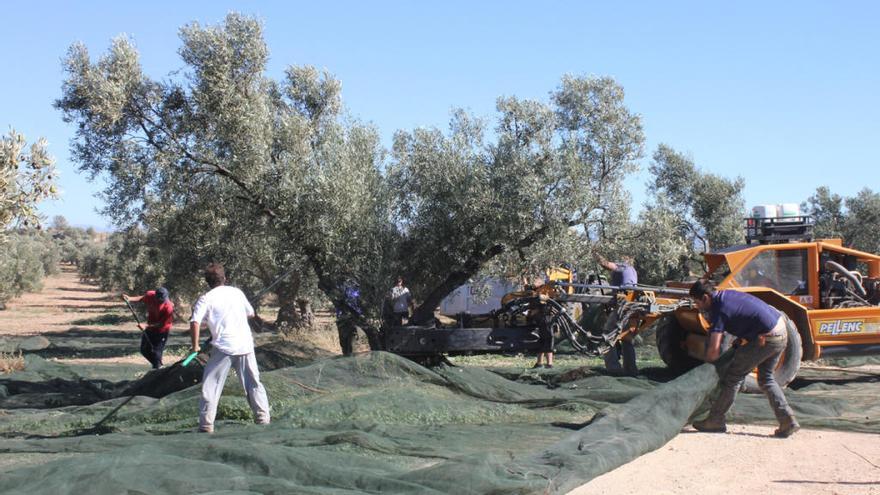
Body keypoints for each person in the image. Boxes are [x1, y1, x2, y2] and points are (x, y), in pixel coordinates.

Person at [689, 279, 800, 438]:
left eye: (697, 302)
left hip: (766, 338)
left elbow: (713, 350)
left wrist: (706, 371)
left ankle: (715, 420)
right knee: (766, 378)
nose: (697, 306)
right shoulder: (726, 294)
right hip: (781, 331)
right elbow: (745, 317)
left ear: (706, 298)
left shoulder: (719, 309)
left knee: (733, 377)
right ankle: (788, 420)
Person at [189, 263, 270, 433]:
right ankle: (263, 420)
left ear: (207, 281)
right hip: (245, 345)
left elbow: (195, 321)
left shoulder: (206, 298)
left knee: (210, 387)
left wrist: (195, 346)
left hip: (223, 347)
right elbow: (251, 313)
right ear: (224, 278)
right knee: (253, 383)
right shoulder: (237, 293)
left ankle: (206, 426)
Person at [597, 254, 639, 376]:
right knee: (626, 338)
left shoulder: (623, 266)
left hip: (623, 305)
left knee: (608, 334)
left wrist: (594, 253)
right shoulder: (632, 270)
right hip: (632, 305)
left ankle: (613, 369)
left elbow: (605, 264)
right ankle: (631, 369)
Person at [122, 287, 173, 369]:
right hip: (150, 330)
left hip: (161, 331)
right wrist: (130, 298)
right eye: (160, 299)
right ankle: (158, 367)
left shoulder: (168, 307)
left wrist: (145, 326)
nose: (162, 301)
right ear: (155, 297)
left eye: (164, 299)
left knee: (156, 353)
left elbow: (162, 324)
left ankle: (158, 368)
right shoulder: (150, 295)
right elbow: (143, 298)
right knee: (144, 350)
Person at [335, 280, 381, 356]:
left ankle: (375, 356)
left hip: (356, 315)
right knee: (344, 342)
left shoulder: (357, 286)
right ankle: (347, 357)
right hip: (343, 317)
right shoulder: (338, 286)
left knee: (370, 335)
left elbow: (361, 301)